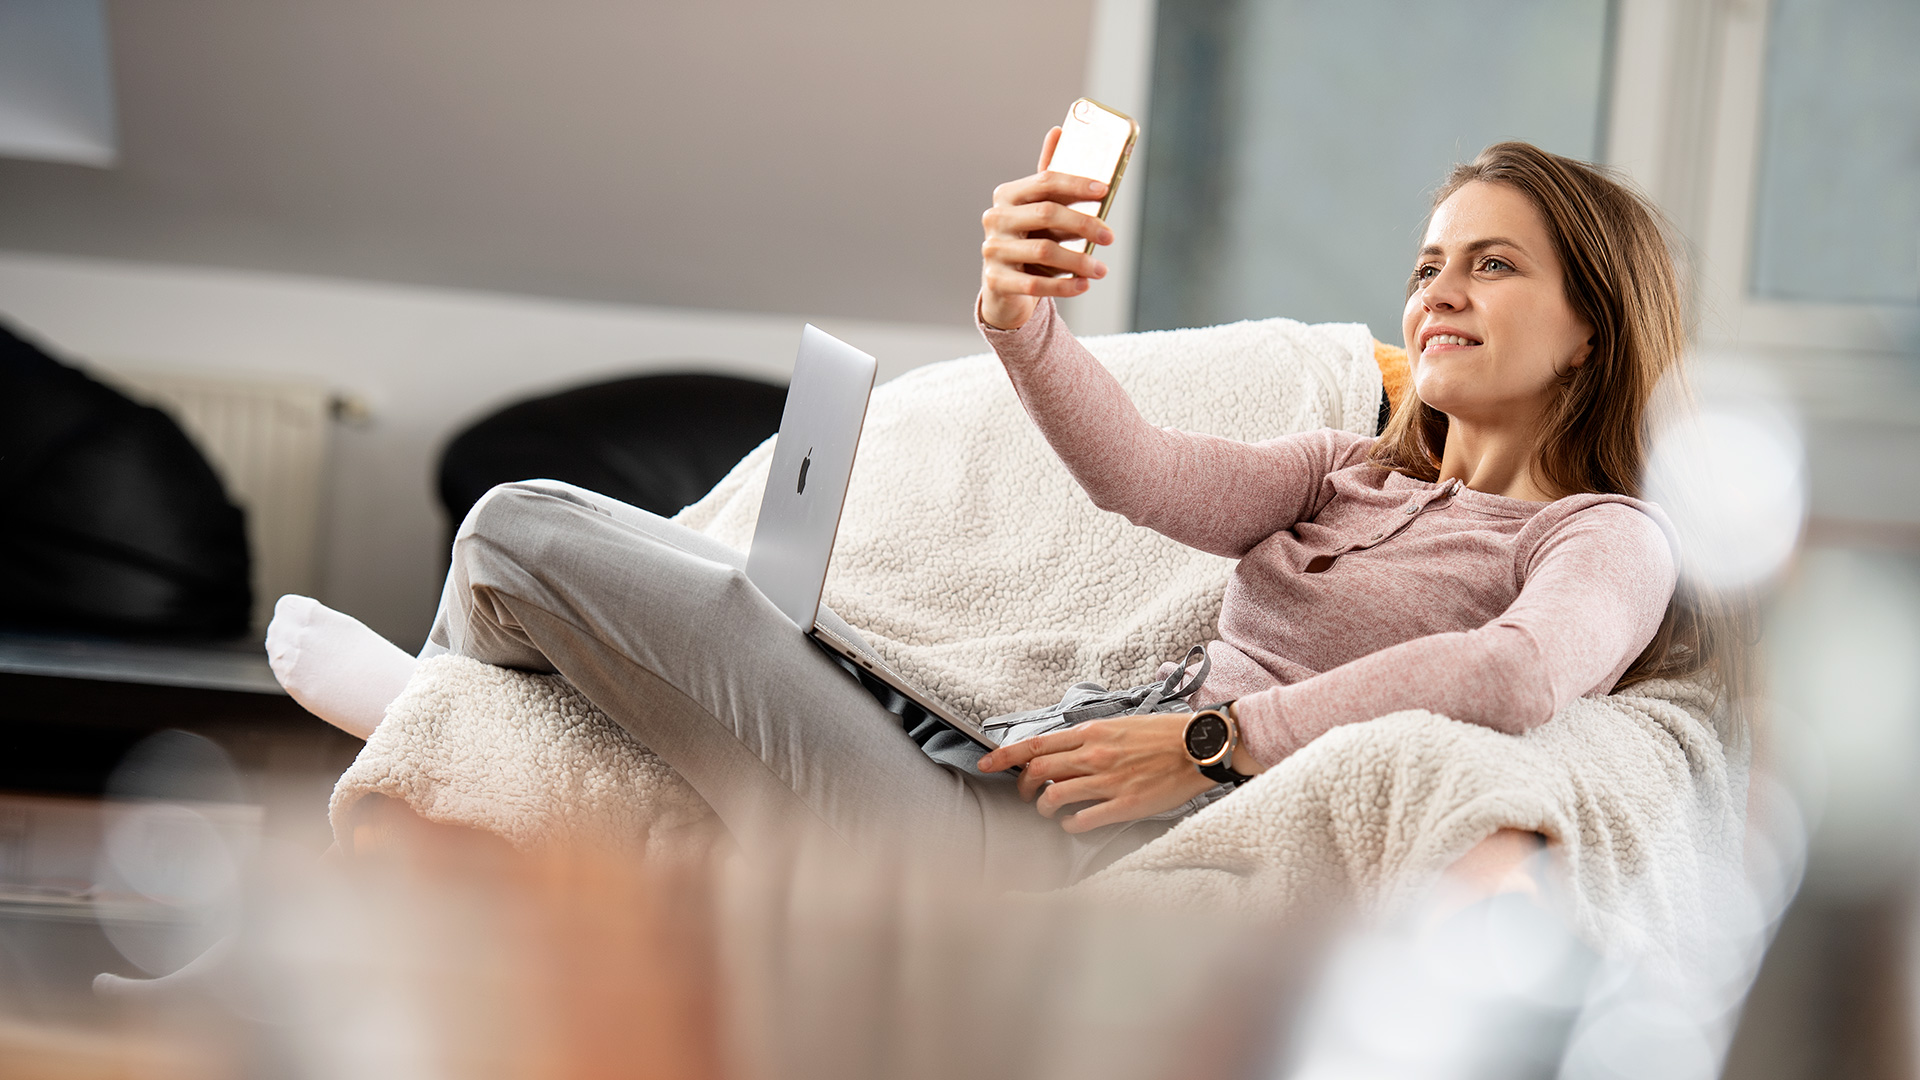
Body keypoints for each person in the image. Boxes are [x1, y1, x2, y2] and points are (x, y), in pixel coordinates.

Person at [270, 135, 1721, 892]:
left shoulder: (1600, 541)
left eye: (1492, 267)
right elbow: (1136, 474)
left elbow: (1519, 675)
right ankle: (445, 712)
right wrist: (1017, 322)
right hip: (960, 766)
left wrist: (1214, 744)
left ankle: (429, 706)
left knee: (518, 528)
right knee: (539, 530)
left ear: (1593, 325)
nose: (1438, 294)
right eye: (1427, 264)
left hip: (1013, 858)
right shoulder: (1345, 469)